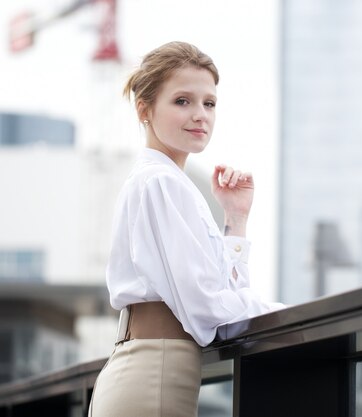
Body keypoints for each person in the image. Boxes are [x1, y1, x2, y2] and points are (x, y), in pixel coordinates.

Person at [88, 41, 284, 417]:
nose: (200, 115)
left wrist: (236, 218)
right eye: (182, 101)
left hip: (147, 369)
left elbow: (219, 295)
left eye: (209, 103)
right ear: (144, 109)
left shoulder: (163, 182)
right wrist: (280, 312)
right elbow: (208, 307)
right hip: (153, 374)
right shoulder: (162, 183)